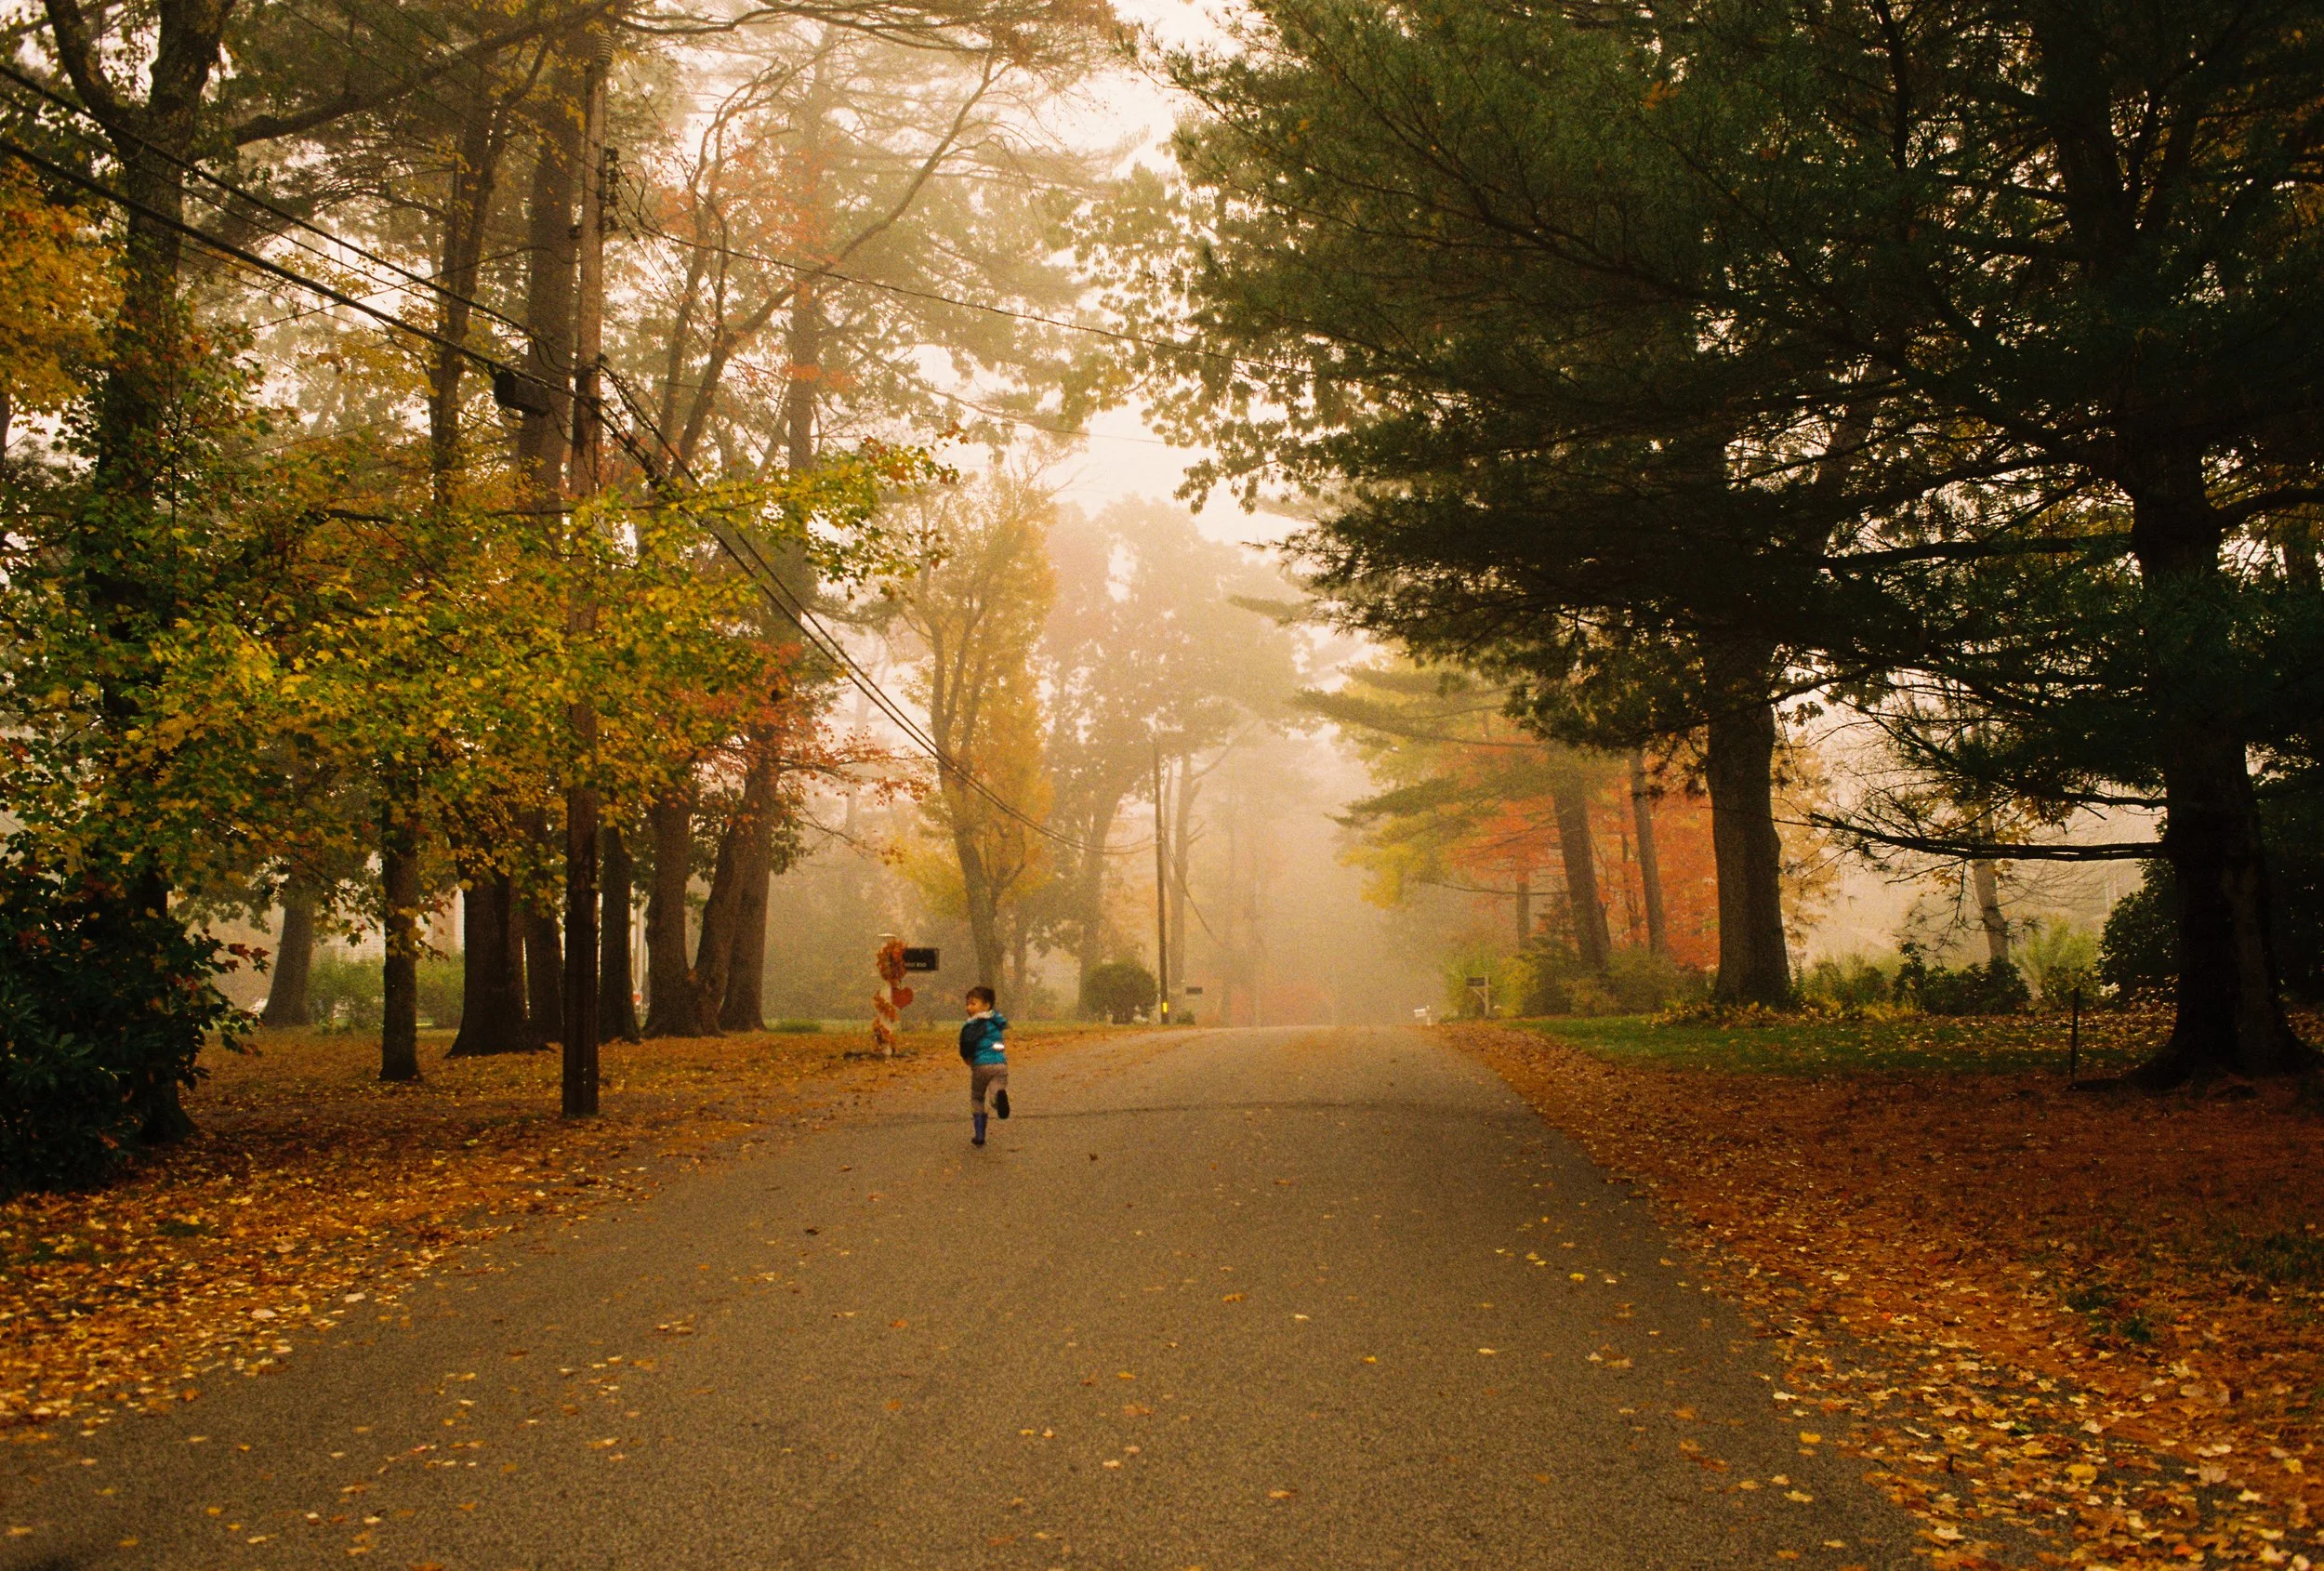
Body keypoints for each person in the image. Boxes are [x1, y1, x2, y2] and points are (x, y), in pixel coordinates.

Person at [958, 985, 1010, 1146]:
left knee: (977, 1096)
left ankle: (980, 1135)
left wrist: (966, 1058)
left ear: (986, 1005)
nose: (969, 1008)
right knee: (997, 1087)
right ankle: (997, 1098)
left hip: (980, 1065)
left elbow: (966, 1044)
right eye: (968, 1004)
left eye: (973, 1004)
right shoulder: (996, 1023)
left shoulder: (971, 1025)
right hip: (1000, 1064)